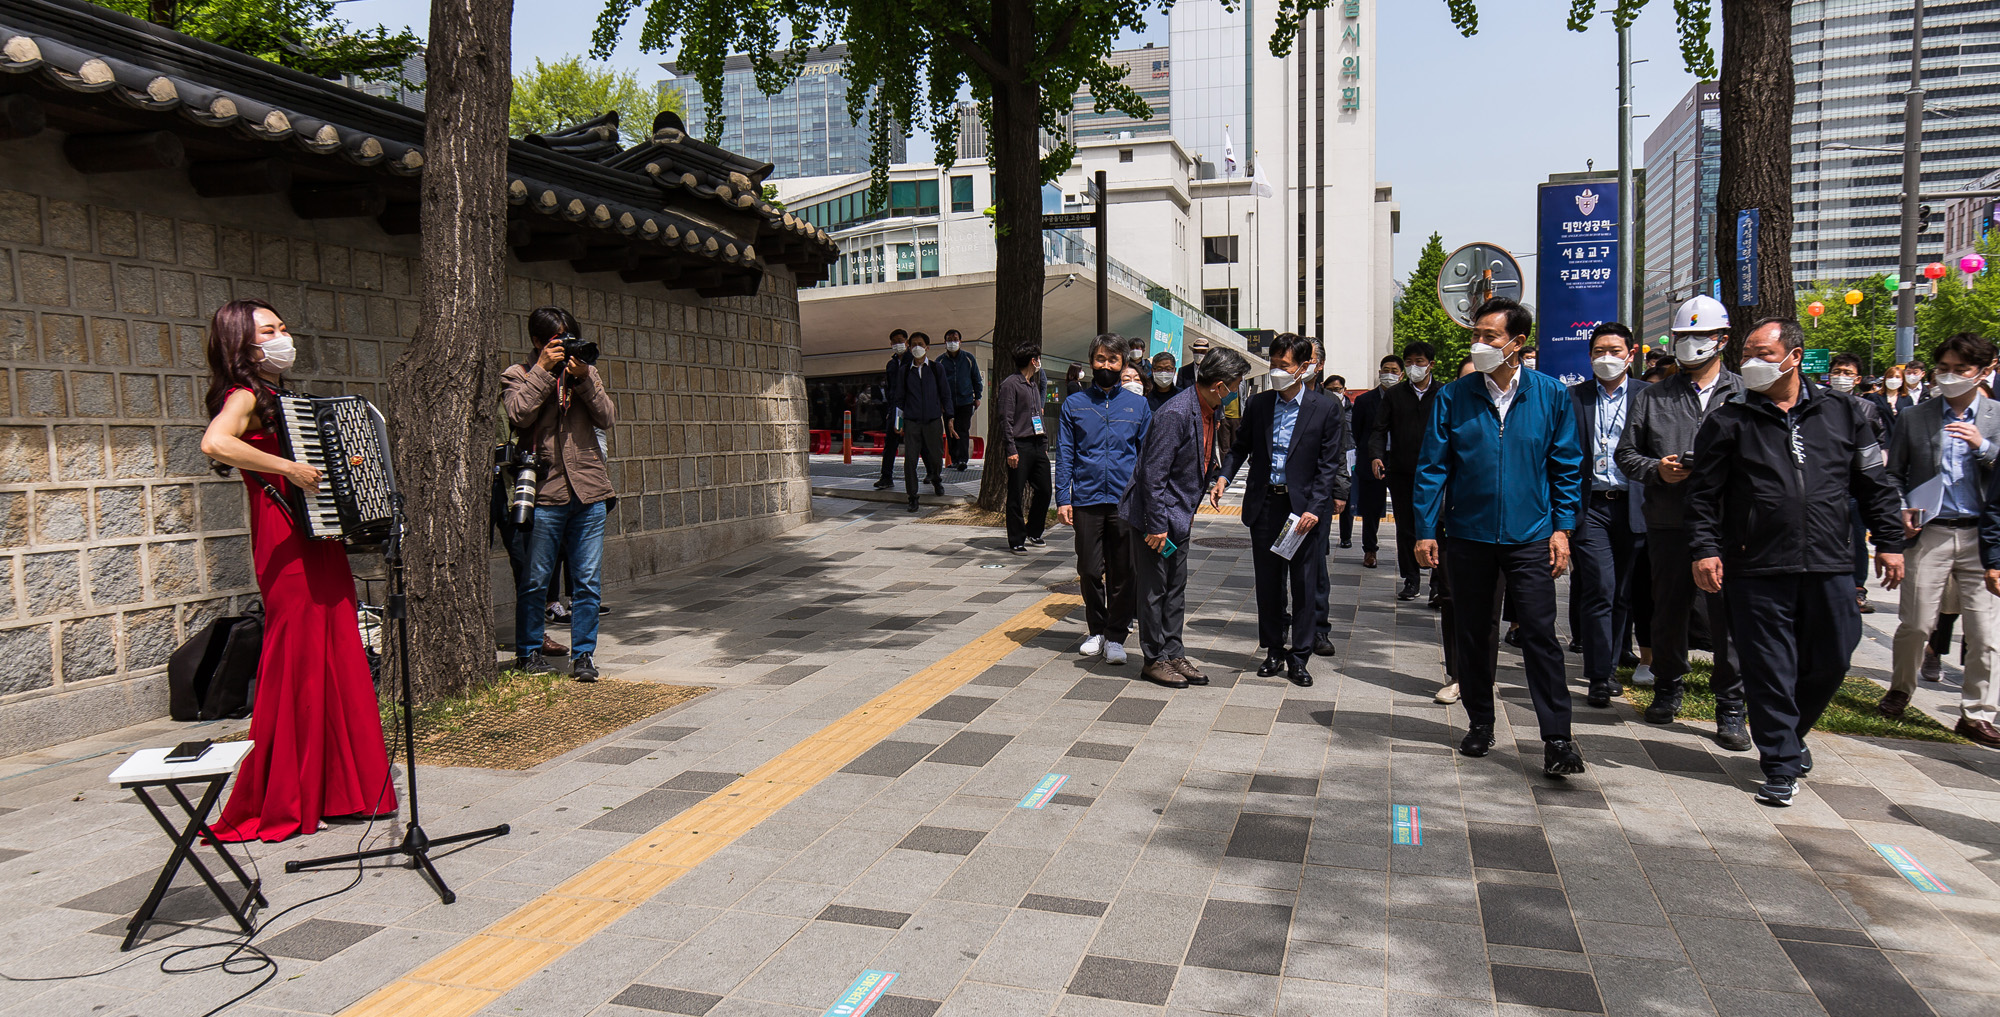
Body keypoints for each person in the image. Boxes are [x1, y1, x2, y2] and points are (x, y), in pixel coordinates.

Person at [199, 298, 398, 842]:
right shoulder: (242, 395)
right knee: (299, 658)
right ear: (241, 341)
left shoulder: (279, 398)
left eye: (283, 327)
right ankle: (290, 792)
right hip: (284, 540)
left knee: (336, 650)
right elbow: (216, 442)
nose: (282, 337)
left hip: (317, 536)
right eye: (270, 330)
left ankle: (342, 787)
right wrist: (289, 466)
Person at [1685, 317, 1905, 805]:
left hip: (1829, 562)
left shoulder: (1846, 413)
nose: (1753, 362)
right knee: (1769, 667)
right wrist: (1704, 548)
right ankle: (1780, 764)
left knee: (1834, 655)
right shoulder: (1730, 418)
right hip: (1756, 565)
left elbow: (1874, 483)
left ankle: (1791, 733)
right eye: (1747, 353)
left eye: (1764, 352)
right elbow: (1703, 496)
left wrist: (1889, 540)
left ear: (1795, 356)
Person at [1413, 297, 1587, 777]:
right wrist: (1427, 529)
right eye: (1477, 335)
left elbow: (1566, 467)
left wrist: (1562, 528)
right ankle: (1480, 723)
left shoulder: (1550, 395)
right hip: (1467, 536)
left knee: (1539, 634)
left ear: (1518, 343)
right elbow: (1432, 468)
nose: (1480, 343)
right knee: (1473, 632)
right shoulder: (1455, 396)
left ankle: (1557, 739)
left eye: (1490, 336)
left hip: (1531, 536)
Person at [1614, 295, 1750, 749]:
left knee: (1728, 615)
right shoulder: (1654, 396)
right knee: (1668, 608)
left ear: (1722, 340)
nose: (1690, 345)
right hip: (1669, 519)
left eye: (1700, 336)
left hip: (1729, 525)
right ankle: (1668, 685)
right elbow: (1626, 455)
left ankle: (1731, 704)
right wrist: (1659, 469)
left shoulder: (1745, 394)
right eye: (1682, 337)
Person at [1884, 334, 2000, 746]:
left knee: (1985, 632)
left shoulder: (1996, 417)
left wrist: (1983, 446)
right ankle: (1900, 688)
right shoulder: (1917, 417)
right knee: (1916, 622)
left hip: (1981, 535)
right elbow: (1894, 472)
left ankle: (1977, 713)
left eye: (1961, 370)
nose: (1949, 377)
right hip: (1931, 530)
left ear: (1985, 371)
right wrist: (1901, 507)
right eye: (1943, 368)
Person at [1214, 334, 1349, 686]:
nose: (1276, 372)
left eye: (1283, 366)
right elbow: (1239, 447)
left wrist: (1317, 508)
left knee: (1304, 585)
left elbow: (1328, 463)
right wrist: (1224, 478)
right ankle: (1273, 648)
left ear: (1304, 368)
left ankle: (1300, 656)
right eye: (1273, 365)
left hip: (1303, 511)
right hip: (1267, 505)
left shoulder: (1326, 408)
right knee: (1269, 584)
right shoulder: (1259, 404)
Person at [1122, 346, 1252, 689]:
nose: (1238, 389)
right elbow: (1153, 474)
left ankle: (1173, 651)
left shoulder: (1210, 409)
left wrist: (1211, 481)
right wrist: (1156, 526)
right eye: (1237, 383)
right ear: (1220, 384)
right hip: (1157, 520)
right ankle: (1154, 659)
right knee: (1154, 589)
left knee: (1174, 588)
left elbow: (1202, 457)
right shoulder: (1177, 413)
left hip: (1179, 517)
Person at [503, 306, 617, 681]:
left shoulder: (586, 373)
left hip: (589, 492)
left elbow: (607, 417)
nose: (566, 348)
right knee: (536, 579)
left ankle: (584, 656)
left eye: (571, 339)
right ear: (538, 342)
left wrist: (583, 379)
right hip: (546, 492)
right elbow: (519, 414)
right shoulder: (517, 374)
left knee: (587, 581)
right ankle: (527, 651)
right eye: (557, 341)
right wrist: (542, 370)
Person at [1058, 335, 1153, 666]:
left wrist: (1147, 500)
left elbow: (1146, 458)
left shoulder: (1138, 406)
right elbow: (1066, 453)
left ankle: (1115, 636)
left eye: (1113, 360)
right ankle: (1096, 629)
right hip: (1086, 499)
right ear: (1091, 362)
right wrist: (1062, 498)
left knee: (1124, 572)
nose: (1106, 365)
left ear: (1123, 365)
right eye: (1100, 359)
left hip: (1125, 502)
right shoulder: (1074, 405)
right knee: (1087, 568)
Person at [1569, 322, 1649, 709]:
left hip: (1635, 506)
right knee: (1599, 587)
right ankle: (1598, 675)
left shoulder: (1650, 397)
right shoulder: (1574, 398)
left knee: (1622, 593)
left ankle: (1614, 662)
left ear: (1631, 354)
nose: (1607, 358)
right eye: (1599, 350)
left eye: (1615, 350)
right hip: (1592, 506)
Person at [1370, 342, 1442, 599]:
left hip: (1438, 474)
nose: (1414, 367)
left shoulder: (1445, 394)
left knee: (1438, 527)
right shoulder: (1395, 395)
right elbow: (1379, 429)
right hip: (1402, 471)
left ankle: (1437, 585)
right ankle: (1411, 580)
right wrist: (1377, 456)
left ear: (1431, 364)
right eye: (1409, 362)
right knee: (1406, 527)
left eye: (1419, 361)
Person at [1832, 353, 1891, 615]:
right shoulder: (1820, 404)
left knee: (1857, 537)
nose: (1841, 377)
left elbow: (1878, 443)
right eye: (1837, 371)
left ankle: (1857, 588)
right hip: (1829, 485)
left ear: (1857, 379)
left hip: (1854, 487)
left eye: (1847, 373)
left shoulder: (1866, 408)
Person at [999, 343, 1053, 553]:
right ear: (1033, 360)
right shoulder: (1010, 384)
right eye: (1038, 358)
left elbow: (1038, 416)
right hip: (1019, 446)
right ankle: (1017, 539)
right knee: (1016, 493)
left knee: (1045, 490)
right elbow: (1006, 420)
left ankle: (1034, 530)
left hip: (1037, 445)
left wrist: (1044, 442)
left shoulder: (1033, 385)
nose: (1040, 362)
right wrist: (1011, 449)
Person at [1346, 355, 1399, 563]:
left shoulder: (1405, 399)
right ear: (1379, 372)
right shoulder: (1364, 400)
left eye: (1394, 371)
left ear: (1401, 374)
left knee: (1404, 509)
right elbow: (1358, 432)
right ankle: (1370, 549)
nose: (1389, 374)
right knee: (1371, 509)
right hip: (1371, 460)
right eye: (1386, 370)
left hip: (1398, 460)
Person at [896, 332, 955, 511]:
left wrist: (950, 418)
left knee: (936, 457)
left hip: (933, 421)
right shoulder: (905, 371)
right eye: (913, 344)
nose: (916, 348)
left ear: (927, 347)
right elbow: (899, 399)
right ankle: (912, 496)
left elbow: (946, 395)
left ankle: (936, 479)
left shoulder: (937, 369)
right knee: (910, 461)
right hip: (912, 422)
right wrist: (898, 424)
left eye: (920, 344)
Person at [939, 329, 983, 470]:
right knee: (950, 430)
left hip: (966, 401)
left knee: (963, 430)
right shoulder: (940, 361)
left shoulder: (968, 358)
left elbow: (976, 379)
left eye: (955, 339)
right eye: (949, 339)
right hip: (947, 403)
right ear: (945, 342)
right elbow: (936, 383)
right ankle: (954, 459)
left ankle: (963, 460)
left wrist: (978, 397)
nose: (953, 342)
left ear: (960, 341)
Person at [872, 329, 910, 490]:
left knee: (917, 442)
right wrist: (890, 410)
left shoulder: (913, 360)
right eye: (894, 342)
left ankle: (932, 474)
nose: (897, 344)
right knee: (890, 443)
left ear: (907, 342)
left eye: (900, 341)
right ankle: (886, 476)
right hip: (896, 410)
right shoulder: (891, 364)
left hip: (912, 408)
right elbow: (889, 389)